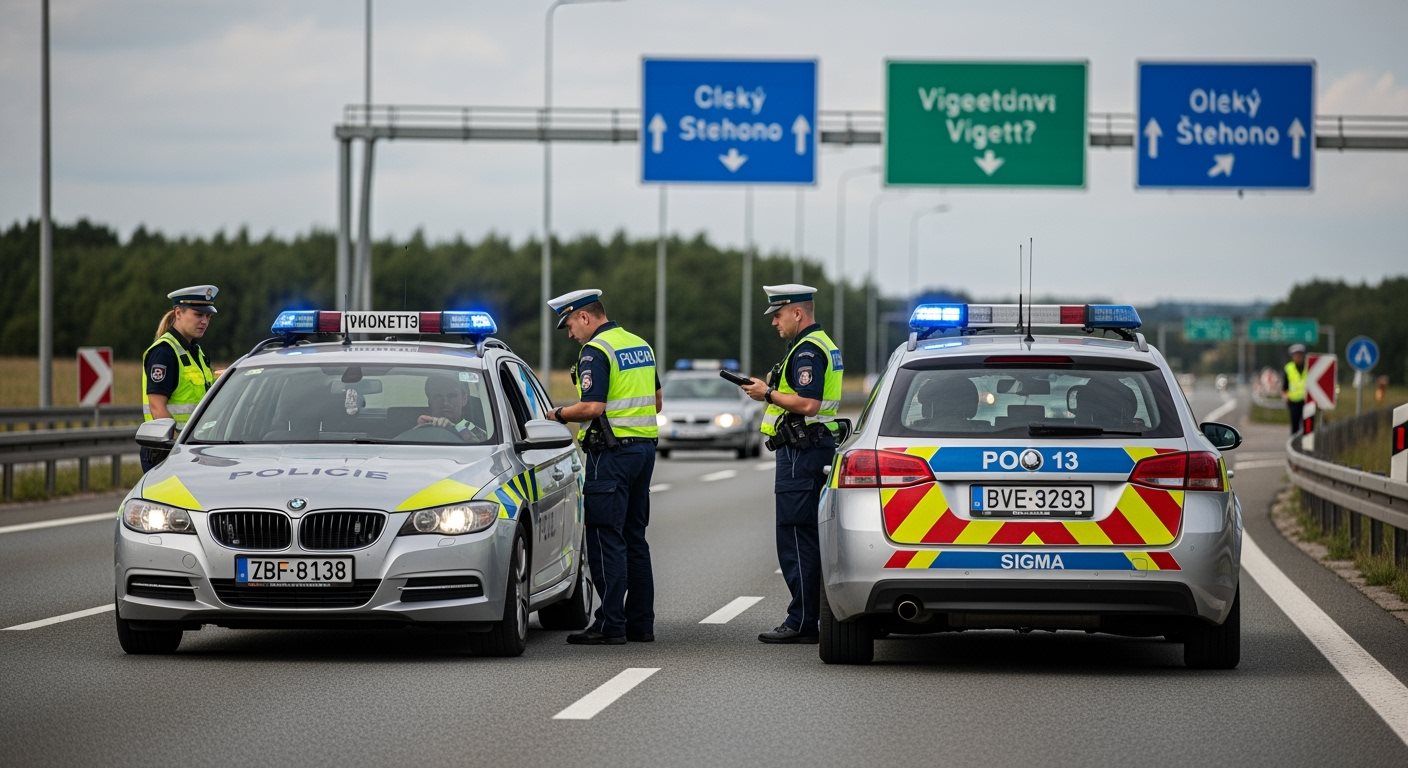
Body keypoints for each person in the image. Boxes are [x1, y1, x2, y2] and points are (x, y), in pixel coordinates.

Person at [545, 289, 662, 645]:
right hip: (643, 450)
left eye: (569, 326)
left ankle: (610, 624)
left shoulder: (596, 350)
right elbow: (656, 402)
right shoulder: (640, 345)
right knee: (634, 538)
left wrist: (558, 414)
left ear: (585, 317)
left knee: (604, 538)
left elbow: (593, 407)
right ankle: (641, 624)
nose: (570, 334)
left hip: (610, 456)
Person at [741, 284, 843, 644]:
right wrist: (766, 385)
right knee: (806, 535)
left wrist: (766, 394)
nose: (774, 323)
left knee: (797, 535)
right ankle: (810, 616)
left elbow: (809, 403)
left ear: (797, 313)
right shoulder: (817, 344)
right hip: (810, 448)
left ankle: (802, 621)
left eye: (778, 315)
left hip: (802, 450)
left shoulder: (808, 349)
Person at [141, 285, 220, 471]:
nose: (204, 321)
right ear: (178, 313)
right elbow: (156, 406)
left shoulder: (195, 351)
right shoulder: (164, 352)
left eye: (208, 316)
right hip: (168, 451)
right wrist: (177, 449)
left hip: (193, 449)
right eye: (198, 315)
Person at [417, 373, 488, 442]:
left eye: (452, 396)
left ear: (464, 399)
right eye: (438, 396)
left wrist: (454, 427)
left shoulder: (473, 430)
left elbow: (480, 446)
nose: (445, 403)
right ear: (430, 402)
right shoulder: (421, 426)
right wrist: (419, 431)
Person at [1282, 343, 1308, 435]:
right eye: (1296, 355)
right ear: (1293, 356)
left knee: (1307, 425)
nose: (1298, 357)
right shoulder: (1289, 368)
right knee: (1295, 425)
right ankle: (1294, 441)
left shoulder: (1309, 366)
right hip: (1293, 401)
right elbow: (1285, 386)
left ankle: (1307, 444)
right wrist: (1286, 397)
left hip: (1306, 401)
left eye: (1300, 354)